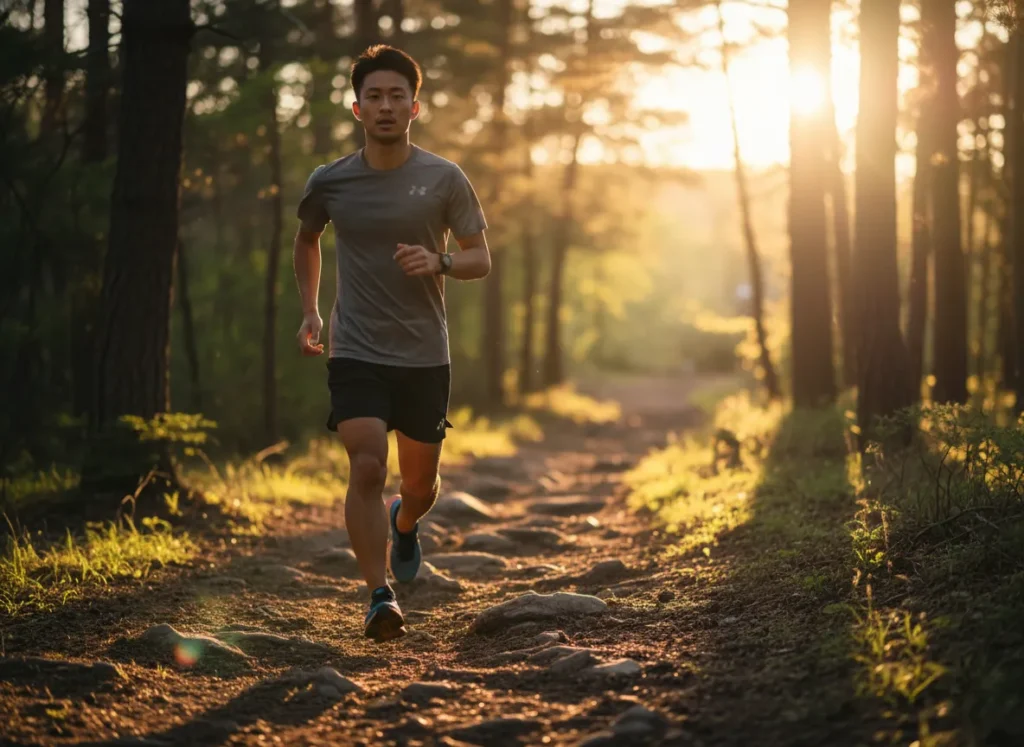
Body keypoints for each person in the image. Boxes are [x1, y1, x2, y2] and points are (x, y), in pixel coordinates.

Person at [291, 45, 491, 643]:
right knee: (368, 463)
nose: (385, 105)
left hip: (425, 352)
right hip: (355, 346)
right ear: (357, 108)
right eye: (373, 96)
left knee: (420, 485)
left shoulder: (444, 177)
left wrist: (440, 261)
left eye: (396, 96)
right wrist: (309, 311)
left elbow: (481, 258)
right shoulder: (330, 181)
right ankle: (379, 596)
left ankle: (406, 525)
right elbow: (306, 241)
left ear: (415, 107)